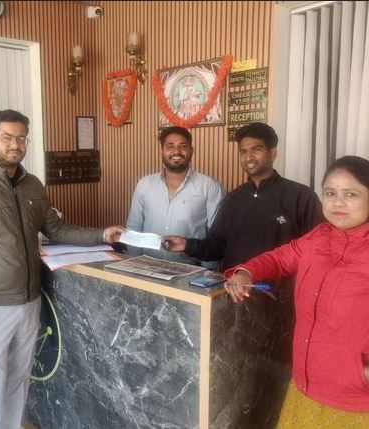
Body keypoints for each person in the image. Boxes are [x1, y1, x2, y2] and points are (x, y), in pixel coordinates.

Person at [0, 109, 123, 429]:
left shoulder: (33, 185)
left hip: (29, 301)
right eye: (7, 138)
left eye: (21, 138)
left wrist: (101, 235)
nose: (15, 145)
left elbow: (57, 229)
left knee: (19, 380)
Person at [224, 156, 369, 427]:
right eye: (330, 193)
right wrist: (246, 272)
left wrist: (362, 374)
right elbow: (280, 258)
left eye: (351, 194)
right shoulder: (318, 237)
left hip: (355, 403)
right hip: (304, 387)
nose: (337, 202)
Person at [163, 122, 323, 270]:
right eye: (243, 151)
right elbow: (216, 248)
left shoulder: (301, 197)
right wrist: (186, 245)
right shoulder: (233, 199)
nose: (249, 157)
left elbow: (318, 249)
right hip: (234, 287)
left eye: (256, 149)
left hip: (279, 290)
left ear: (273, 153)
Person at [126, 126, 224, 266]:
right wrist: (133, 264)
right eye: (170, 146)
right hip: (147, 266)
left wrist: (207, 274)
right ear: (162, 151)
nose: (176, 151)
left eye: (183, 146)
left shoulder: (209, 187)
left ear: (191, 151)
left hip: (190, 270)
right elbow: (134, 227)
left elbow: (215, 237)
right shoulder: (144, 184)